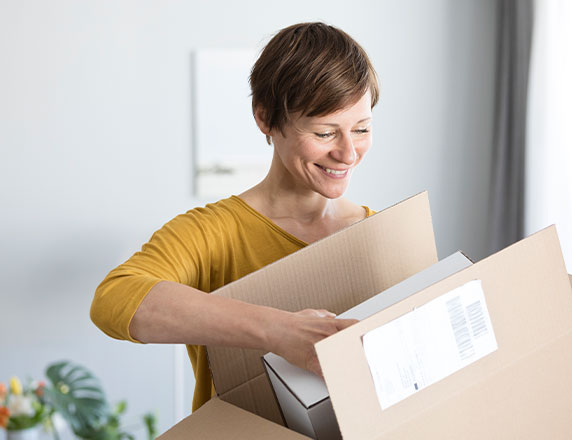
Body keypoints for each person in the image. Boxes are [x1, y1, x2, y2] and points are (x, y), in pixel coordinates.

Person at [90, 22, 379, 412]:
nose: (348, 154)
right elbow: (115, 299)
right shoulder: (213, 233)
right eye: (325, 133)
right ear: (265, 118)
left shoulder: (381, 234)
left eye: (361, 128)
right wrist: (281, 331)